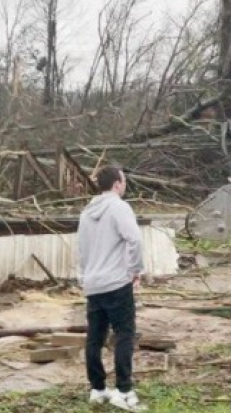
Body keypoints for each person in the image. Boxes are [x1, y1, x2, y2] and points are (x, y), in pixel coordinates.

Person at [76, 165, 145, 411]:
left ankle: (97, 388)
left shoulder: (86, 212)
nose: (124, 185)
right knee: (124, 335)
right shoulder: (119, 207)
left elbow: (82, 250)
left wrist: (84, 277)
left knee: (95, 337)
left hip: (93, 284)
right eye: (124, 181)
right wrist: (135, 270)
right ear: (117, 184)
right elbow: (134, 239)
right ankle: (124, 391)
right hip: (116, 282)